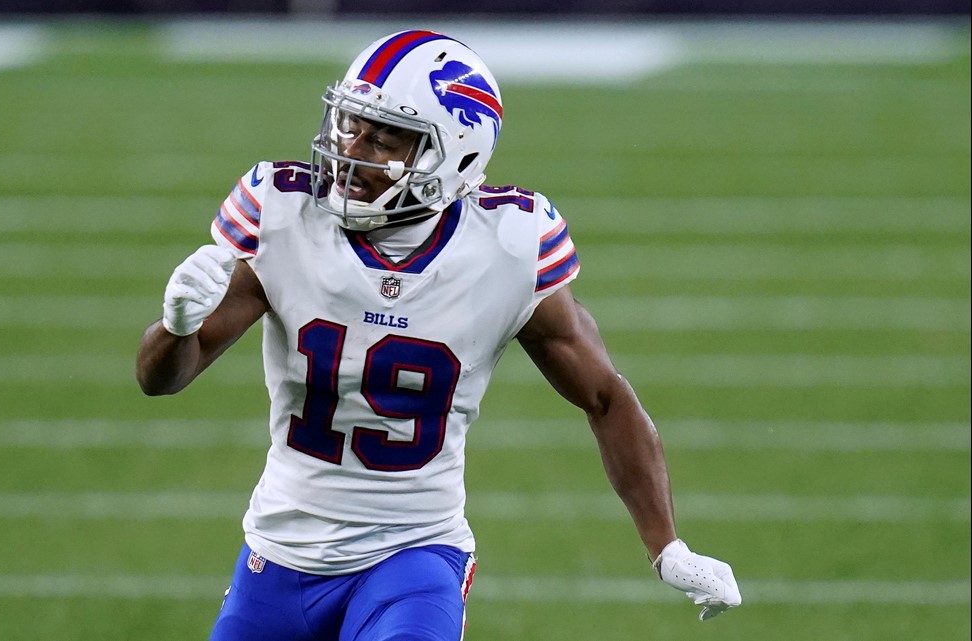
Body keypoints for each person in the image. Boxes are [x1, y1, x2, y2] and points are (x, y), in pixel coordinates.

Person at [136, 29, 741, 641]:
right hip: (282, 549)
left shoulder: (508, 246)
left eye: (385, 137)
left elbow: (605, 396)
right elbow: (160, 380)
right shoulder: (284, 214)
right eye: (350, 125)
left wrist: (667, 546)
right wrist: (176, 327)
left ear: (454, 155)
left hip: (414, 550)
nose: (354, 150)